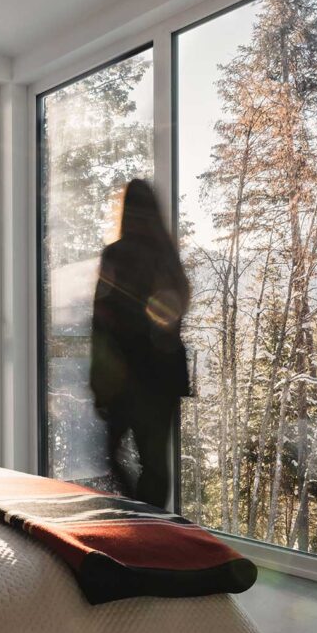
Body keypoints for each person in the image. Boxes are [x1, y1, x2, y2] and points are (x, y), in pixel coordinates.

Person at [89, 178, 190, 508]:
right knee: (155, 464)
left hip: (127, 374)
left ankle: (140, 518)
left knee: (111, 453)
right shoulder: (168, 257)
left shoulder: (115, 254)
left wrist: (100, 382)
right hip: (163, 374)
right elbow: (175, 311)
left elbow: (102, 321)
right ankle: (157, 531)